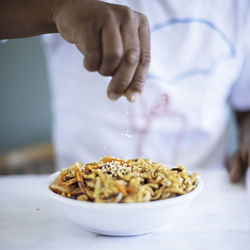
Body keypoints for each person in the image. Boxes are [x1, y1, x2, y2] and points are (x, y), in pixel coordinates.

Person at [1, 0, 250, 182]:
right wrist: (57, 9)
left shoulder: (239, 8)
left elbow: (246, 106)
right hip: (84, 199)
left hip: (205, 199)